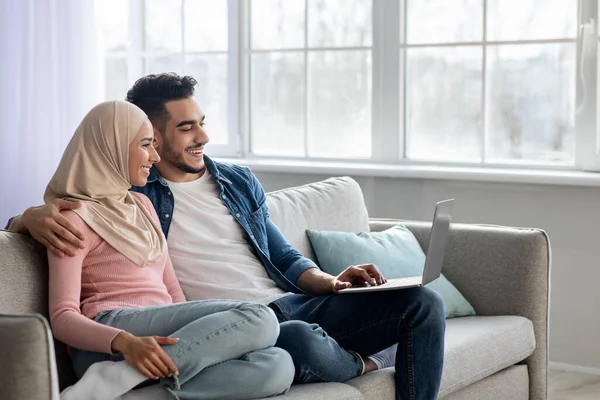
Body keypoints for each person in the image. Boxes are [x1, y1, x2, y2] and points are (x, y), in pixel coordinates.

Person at [8, 74, 446, 400]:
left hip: (280, 305)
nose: (203, 137)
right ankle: (365, 360)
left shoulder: (232, 182)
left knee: (422, 304)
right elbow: (83, 193)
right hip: (240, 320)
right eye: (185, 128)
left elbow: (282, 254)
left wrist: (330, 281)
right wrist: (26, 218)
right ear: (150, 138)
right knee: (291, 341)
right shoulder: (129, 193)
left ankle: (137, 386)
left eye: (201, 123)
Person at [42, 100, 294, 400]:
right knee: (260, 317)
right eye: (146, 145)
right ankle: (116, 375)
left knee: (278, 366)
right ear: (111, 147)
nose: (155, 155)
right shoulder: (73, 217)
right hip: (109, 338)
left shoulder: (144, 206)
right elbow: (62, 316)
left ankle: (124, 389)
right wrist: (124, 342)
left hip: (160, 330)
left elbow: (173, 293)